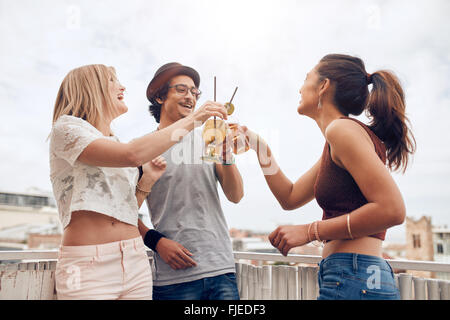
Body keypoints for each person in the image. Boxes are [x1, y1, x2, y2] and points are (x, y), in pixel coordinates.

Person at [240, 54, 416, 300]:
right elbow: (289, 197)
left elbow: (392, 210)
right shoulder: (337, 139)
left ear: (323, 86)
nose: (300, 88)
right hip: (353, 276)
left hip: (355, 277)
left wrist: (311, 231)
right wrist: (260, 148)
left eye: (306, 78)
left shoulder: (342, 130)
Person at [49, 64, 227, 299]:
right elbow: (132, 155)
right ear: (90, 88)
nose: (122, 86)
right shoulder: (67, 128)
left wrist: (146, 183)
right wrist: (196, 119)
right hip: (87, 265)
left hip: (134, 260)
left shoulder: (113, 140)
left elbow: (126, 209)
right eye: (113, 80)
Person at [145, 62, 244, 300]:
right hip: (172, 279)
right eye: (181, 90)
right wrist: (157, 242)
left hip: (221, 269)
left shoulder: (210, 138)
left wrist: (227, 155)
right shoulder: (144, 147)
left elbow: (236, 195)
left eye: (194, 92)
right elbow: (122, 211)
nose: (190, 97)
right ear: (160, 97)